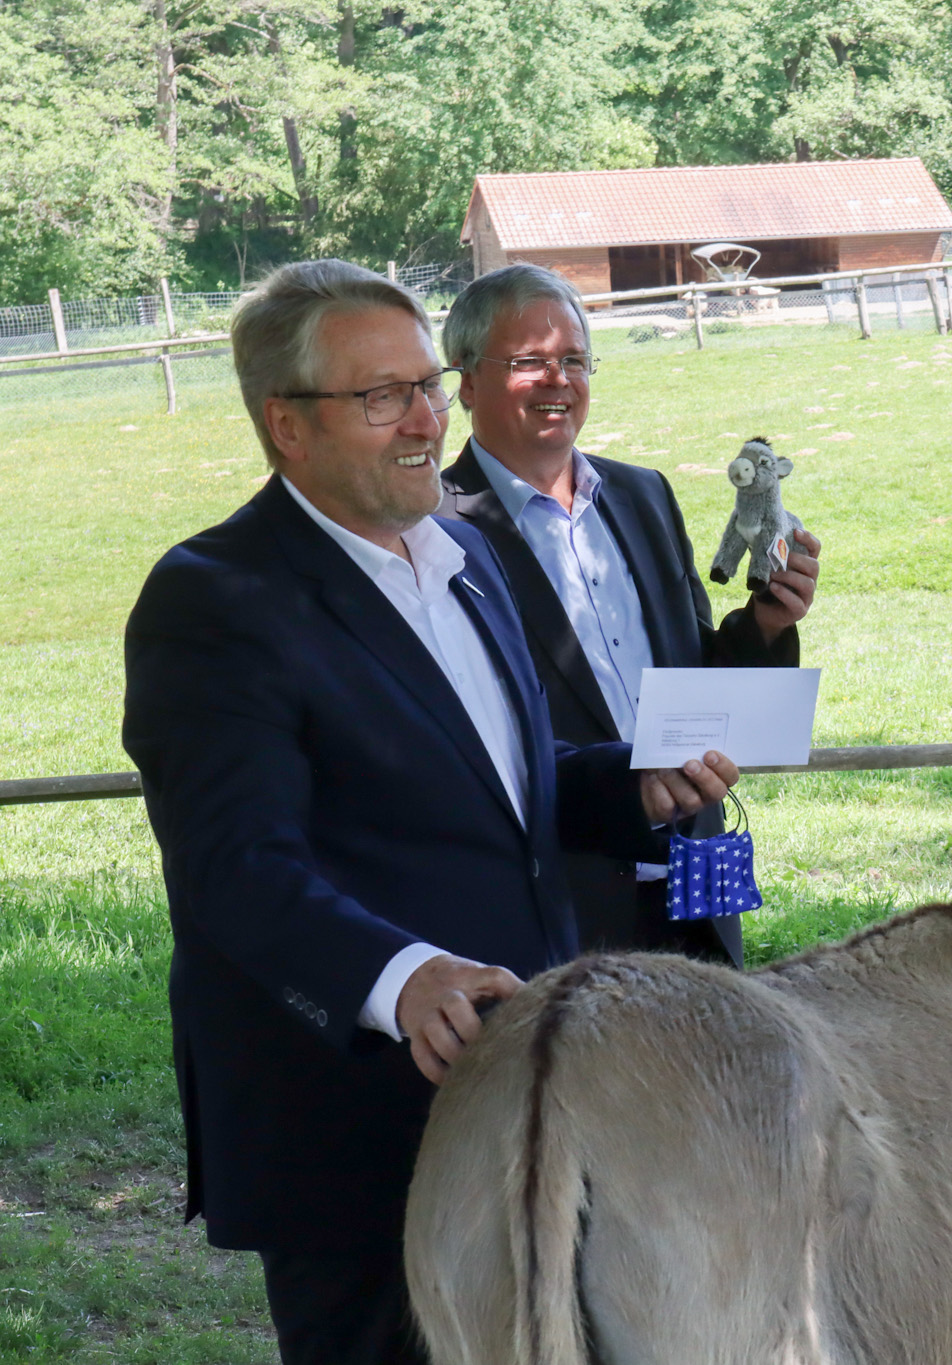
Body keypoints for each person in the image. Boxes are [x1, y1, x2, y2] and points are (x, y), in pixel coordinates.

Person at [122, 259, 737, 1365]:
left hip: (535, 1094)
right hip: (357, 1125)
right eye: (382, 396)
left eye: (427, 388)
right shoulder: (215, 598)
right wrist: (401, 979)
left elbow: (505, 776)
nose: (424, 420)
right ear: (287, 426)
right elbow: (235, 865)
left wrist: (621, 783)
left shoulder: (462, 552)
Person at [437, 263, 820, 964]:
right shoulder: (432, 530)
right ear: (464, 379)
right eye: (530, 362)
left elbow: (693, 674)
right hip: (561, 907)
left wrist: (765, 621)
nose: (559, 380)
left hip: (693, 887)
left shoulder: (643, 496)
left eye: (575, 360)